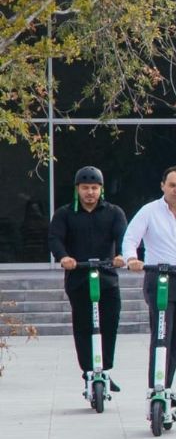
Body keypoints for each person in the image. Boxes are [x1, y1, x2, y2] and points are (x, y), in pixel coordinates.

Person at [123, 165, 176, 407]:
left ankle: (166, 387)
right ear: (163, 186)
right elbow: (130, 238)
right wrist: (131, 259)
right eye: (172, 185)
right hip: (158, 279)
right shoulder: (149, 211)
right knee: (161, 335)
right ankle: (156, 389)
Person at [48, 166, 128, 391]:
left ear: (101, 189)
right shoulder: (64, 214)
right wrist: (64, 257)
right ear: (77, 189)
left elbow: (124, 236)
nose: (90, 192)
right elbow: (55, 239)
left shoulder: (114, 213)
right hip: (78, 278)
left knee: (109, 323)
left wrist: (121, 255)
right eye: (85, 188)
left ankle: (105, 369)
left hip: (107, 278)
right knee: (83, 325)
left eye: (94, 188)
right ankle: (88, 370)